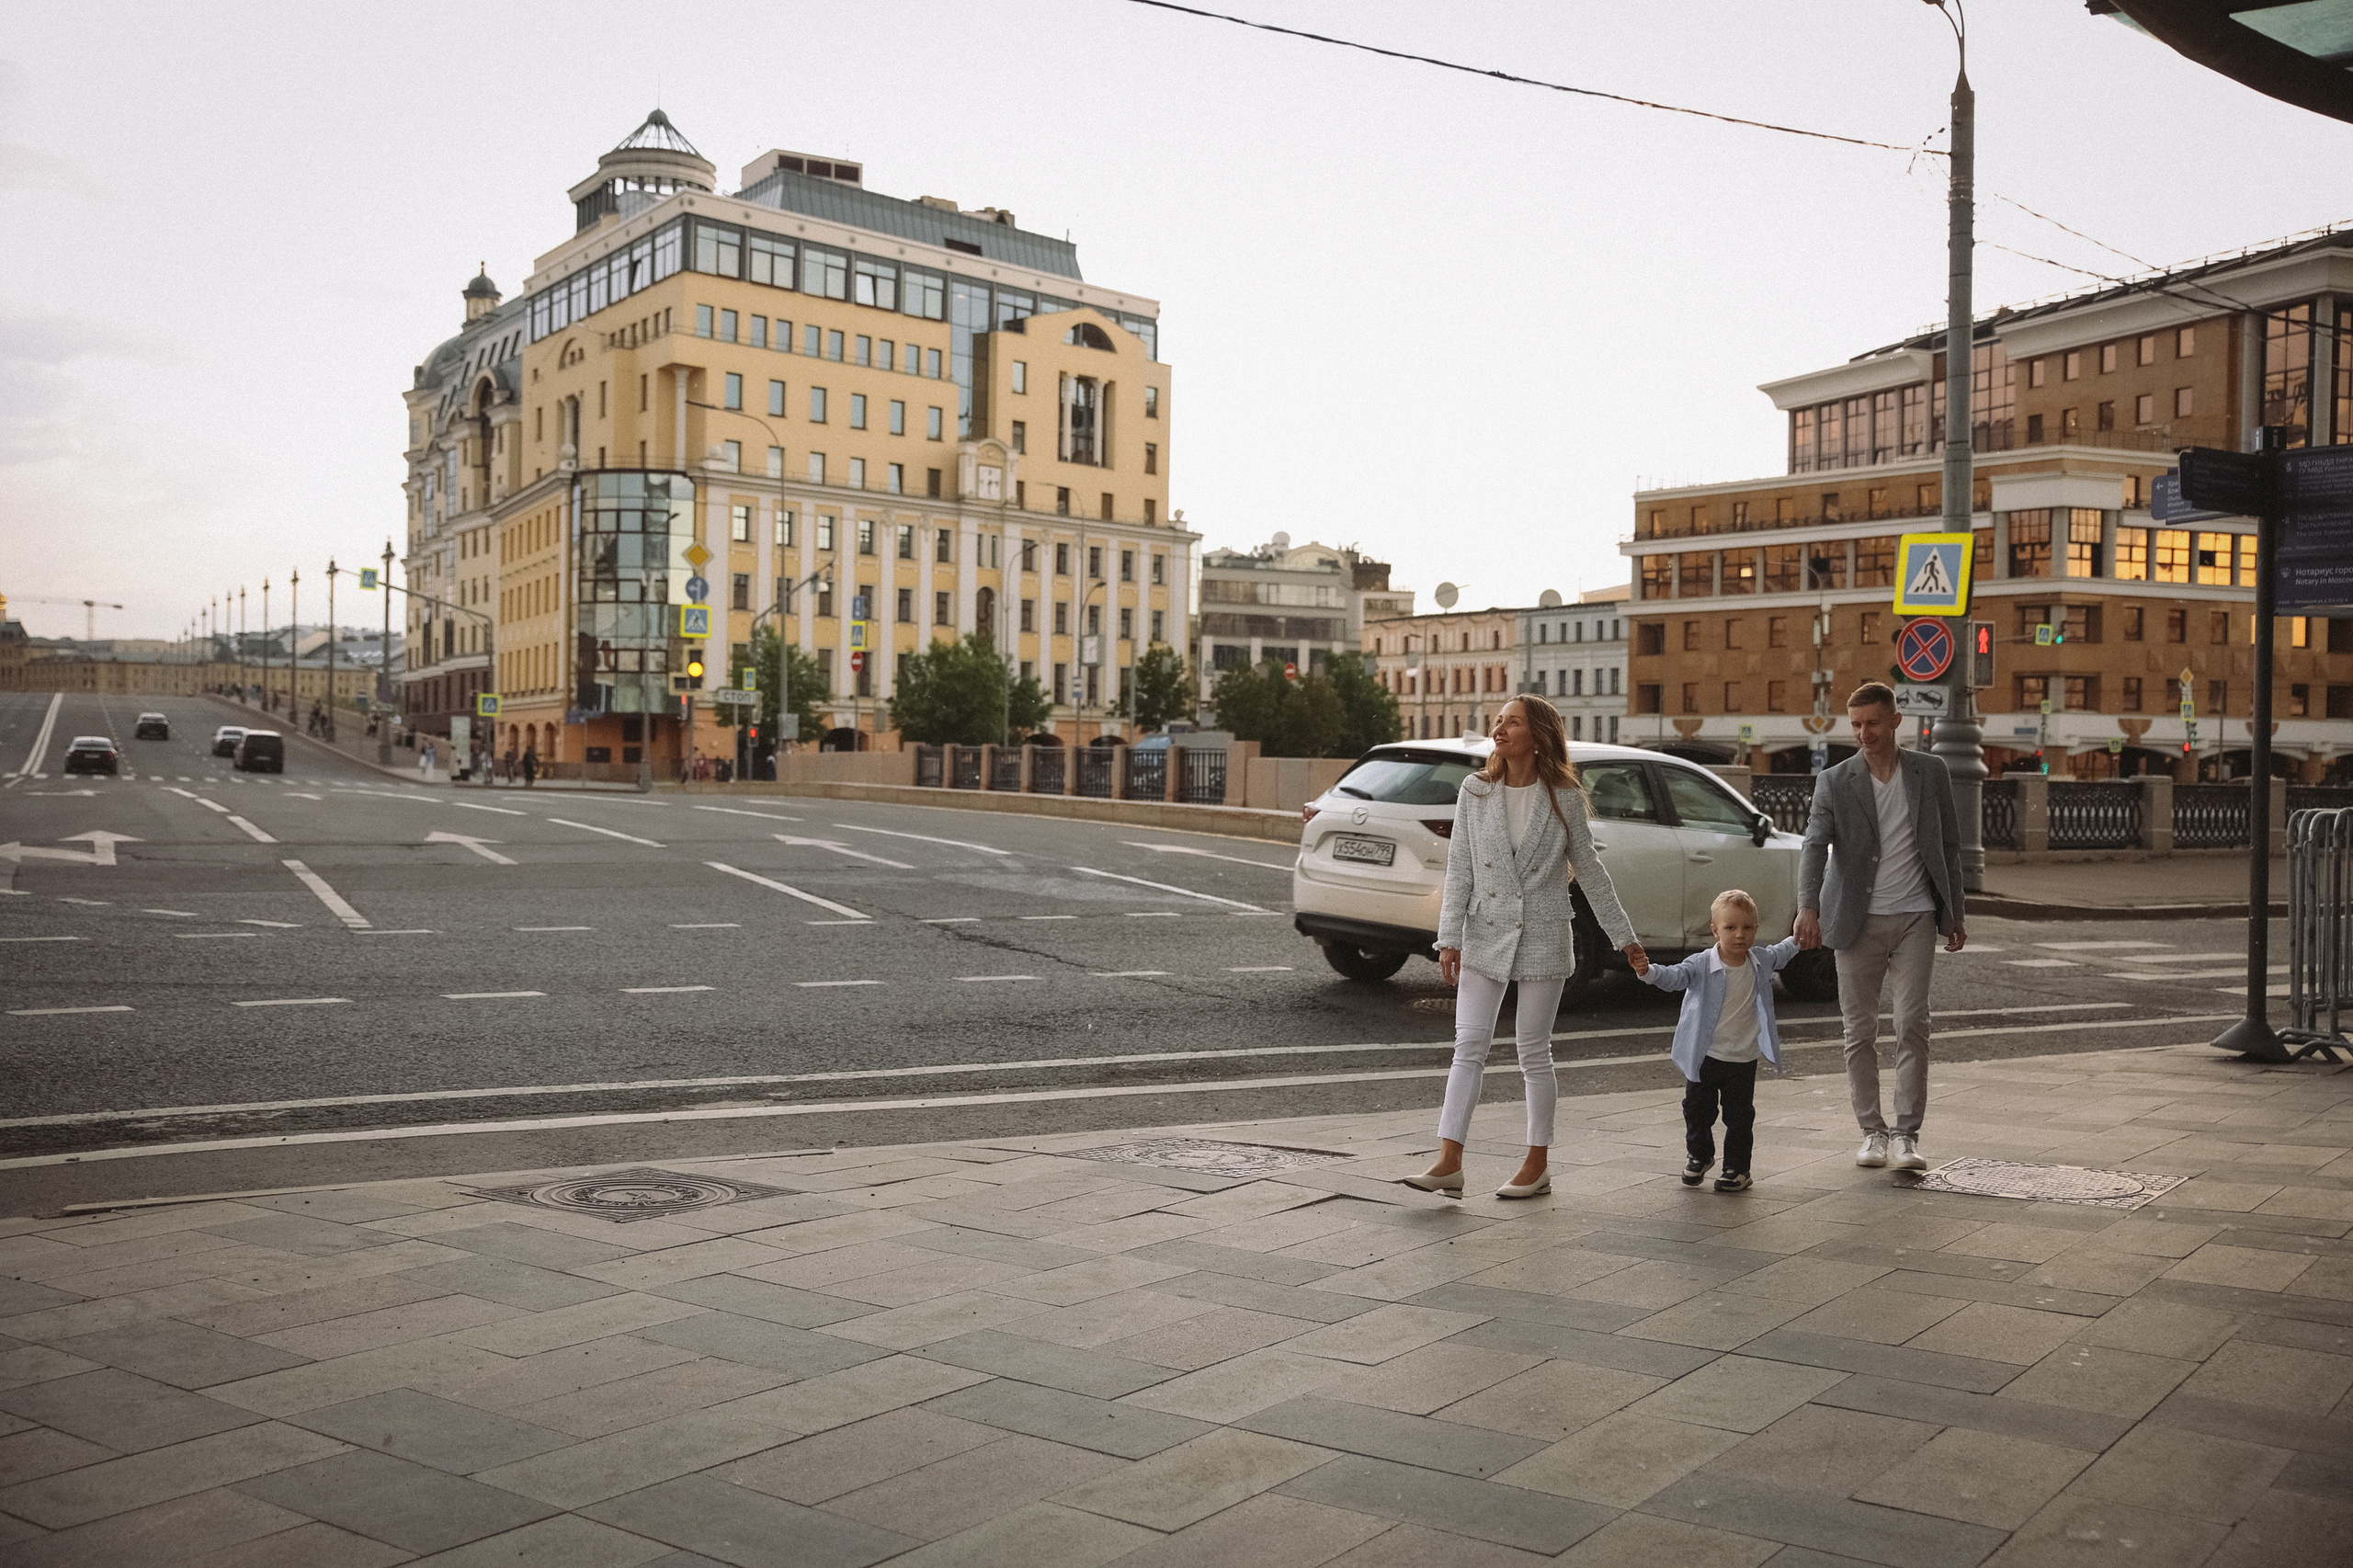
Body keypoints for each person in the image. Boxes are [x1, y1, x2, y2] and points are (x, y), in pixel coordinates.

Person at [1402, 696, 1647, 1200]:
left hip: (1543, 932)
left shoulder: (1563, 796)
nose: (1500, 728)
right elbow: (1461, 867)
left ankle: (1536, 1164)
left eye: (1512, 721)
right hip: (1484, 929)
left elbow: (1591, 873)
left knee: (1533, 1051)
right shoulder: (1475, 791)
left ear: (1537, 735)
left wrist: (1625, 939)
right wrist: (1448, 937)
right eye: (1498, 720)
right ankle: (1450, 1160)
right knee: (1468, 1046)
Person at [1796, 681, 1966, 1172]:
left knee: (1913, 1024)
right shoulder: (1835, 780)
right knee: (1860, 1029)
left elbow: (1949, 847)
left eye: (1872, 723)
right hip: (1856, 918)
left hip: (1916, 914)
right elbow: (1813, 845)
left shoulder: (1930, 772)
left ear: (1895, 720)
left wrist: (1954, 912)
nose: (1863, 733)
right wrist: (1808, 906)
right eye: (1856, 725)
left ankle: (1906, 1136)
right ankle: (1872, 1132)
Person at [1639, 889, 1801, 1193]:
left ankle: (1737, 1169)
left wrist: (1801, 935)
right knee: (1696, 1109)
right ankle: (1700, 1155)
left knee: (1739, 1116)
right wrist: (1648, 971)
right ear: (1715, 930)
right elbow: (1674, 977)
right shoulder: (1701, 964)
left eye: (1748, 928)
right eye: (1730, 928)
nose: (1740, 935)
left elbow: (1784, 950)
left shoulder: (1761, 960)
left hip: (1742, 1058)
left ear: (1756, 929)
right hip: (1705, 1055)